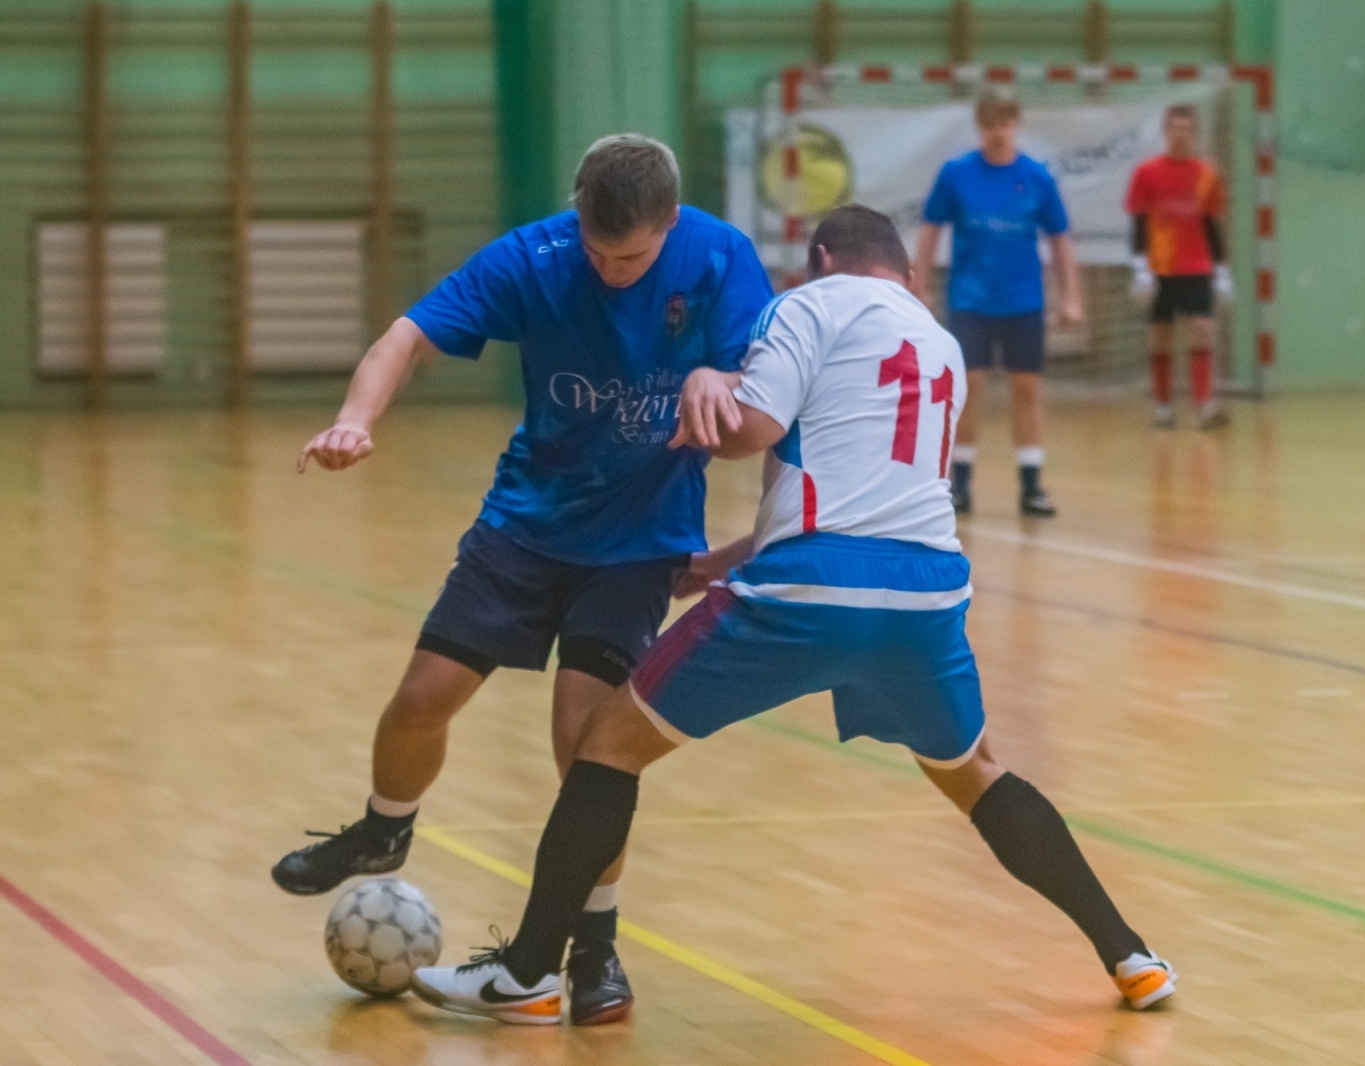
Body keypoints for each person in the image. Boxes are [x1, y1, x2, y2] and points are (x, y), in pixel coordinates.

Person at [408, 204, 1175, 1025]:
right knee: (973, 771)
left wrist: (710, 382)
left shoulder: (808, 303)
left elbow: (752, 432)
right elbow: (867, 491)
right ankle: (1131, 955)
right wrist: (718, 563)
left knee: (604, 746)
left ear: (819, 259)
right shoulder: (940, 342)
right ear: (907, 273)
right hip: (925, 592)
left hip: (807, 592)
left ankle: (530, 973)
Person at [270, 134, 773, 1025]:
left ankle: (596, 951)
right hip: (526, 526)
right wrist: (353, 419)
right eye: (597, 250)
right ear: (576, 213)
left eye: (634, 258)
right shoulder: (533, 255)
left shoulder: (720, 254)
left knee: (588, 750)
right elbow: (408, 336)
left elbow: (762, 390)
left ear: (670, 227)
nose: (612, 272)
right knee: (423, 696)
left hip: (638, 543)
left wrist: (717, 373)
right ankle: (385, 826)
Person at [911, 90, 1083, 518]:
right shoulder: (956, 175)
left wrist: (1072, 296)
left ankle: (1031, 484)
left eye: (1005, 124)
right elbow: (931, 228)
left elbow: (1060, 239)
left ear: (1016, 125)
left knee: (1027, 388)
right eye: (989, 125)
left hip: (1023, 300)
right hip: (971, 300)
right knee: (969, 387)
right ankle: (961, 482)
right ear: (979, 127)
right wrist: (920, 284)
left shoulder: (1037, 177)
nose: (997, 133)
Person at [1125, 103, 1232, 430]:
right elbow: (1139, 221)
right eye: (1175, 128)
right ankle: (1162, 407)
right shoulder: (1147, 172)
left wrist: (1223, 269)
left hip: (1197, 265)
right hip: (1161, 266)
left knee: (1203, 329)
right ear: (1166, 131)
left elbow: (1212, 223)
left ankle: (1204, 406)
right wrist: (1141, 267)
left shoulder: (1205, 175)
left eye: (1187, 129)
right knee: (1160, 335)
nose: (1181, 135)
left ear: (1194, 133)